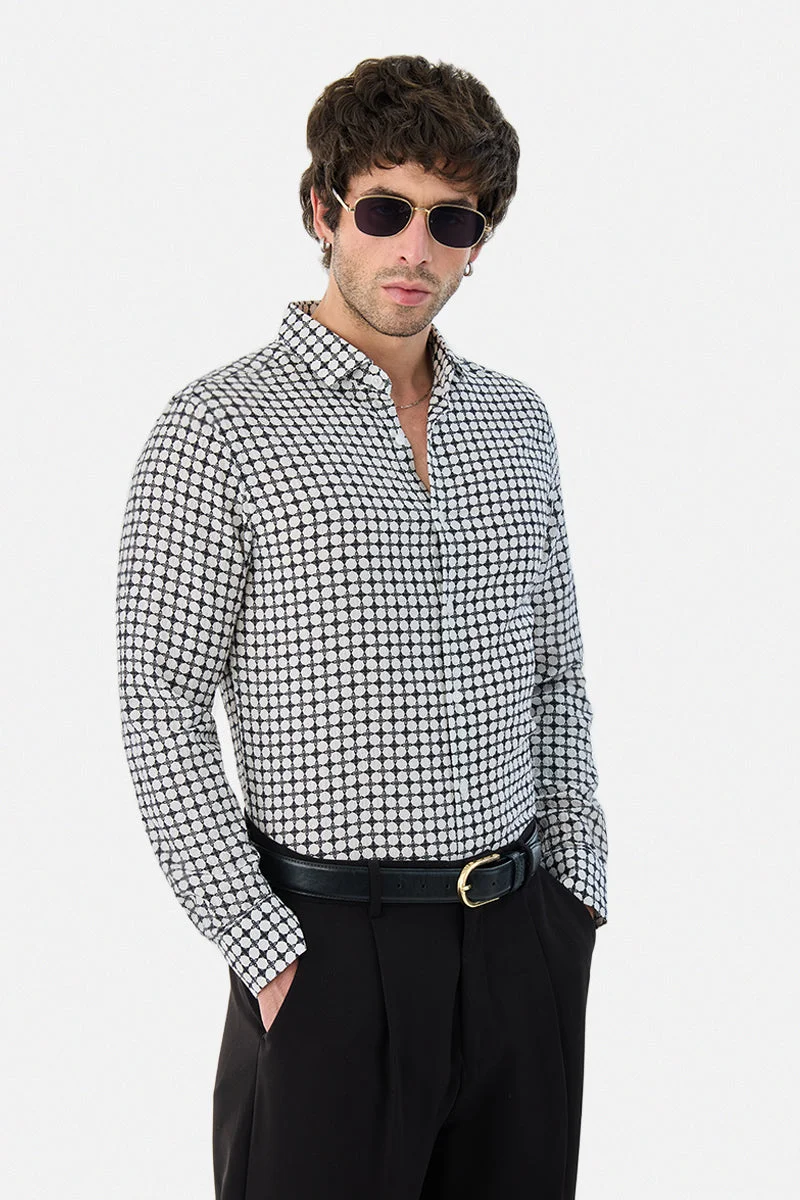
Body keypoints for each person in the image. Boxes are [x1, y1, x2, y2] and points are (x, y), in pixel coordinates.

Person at [115, 53, 609, 1200]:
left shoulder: (516, 423)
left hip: (520, 942)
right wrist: (261, 945)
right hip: (327, 954)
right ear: (322, 209)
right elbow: (160, 702)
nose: (414, 248)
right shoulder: (217, 428)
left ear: (478, 239)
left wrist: (574, 890)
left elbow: (555, 669)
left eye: (452, 220)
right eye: (385, 209)